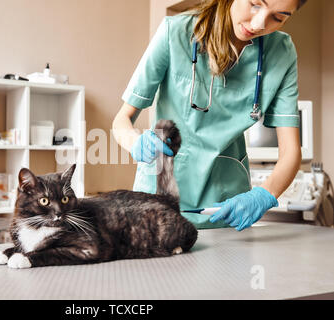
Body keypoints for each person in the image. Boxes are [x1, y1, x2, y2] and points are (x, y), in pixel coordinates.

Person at [112, 0, 307, 231]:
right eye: (255, 4)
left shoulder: (281, 52)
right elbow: (121, 121)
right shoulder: (175, 32)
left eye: (279, 17)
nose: (258, 23)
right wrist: (135, 142)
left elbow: (291, 152)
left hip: (225, 206)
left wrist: (265, 194)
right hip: (158, 200)